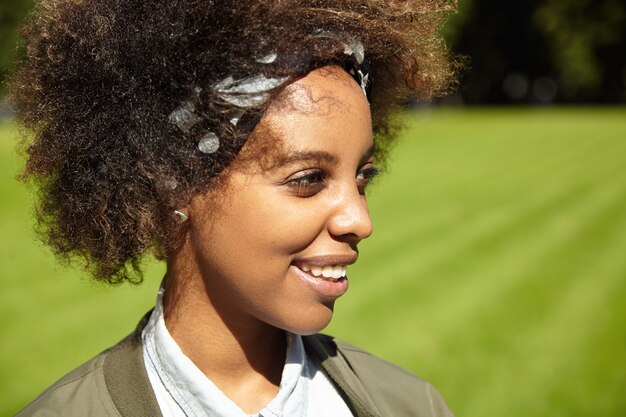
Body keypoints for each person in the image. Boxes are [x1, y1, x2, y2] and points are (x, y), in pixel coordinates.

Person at [10, 1, 456, 416]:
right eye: (308, 180)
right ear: (177, 182)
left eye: (363, 178)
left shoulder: (409, 405)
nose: (360, 220)